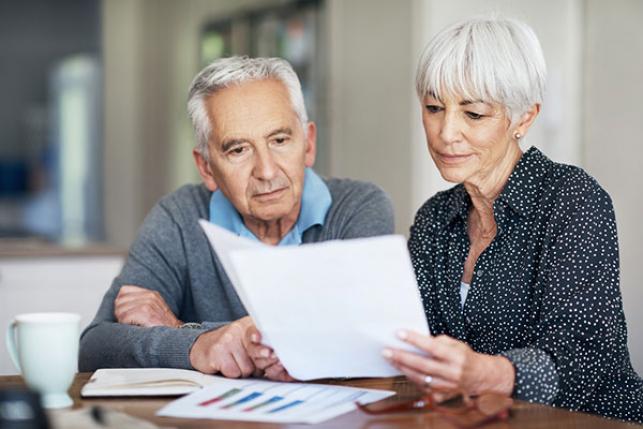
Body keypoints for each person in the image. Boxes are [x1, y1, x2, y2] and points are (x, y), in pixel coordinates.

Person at [382, 16, 643, 422]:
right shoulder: (435, 219)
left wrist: (484, 373)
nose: (446, 132)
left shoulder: (571, 199)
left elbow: (582, 361)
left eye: (473, 114)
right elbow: (412, 344)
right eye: (434, 108)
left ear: (523, 118)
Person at [79, 56, 394, 381]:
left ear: (309, 144)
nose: (267, 171)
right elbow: (95, 347)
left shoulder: (359, 207)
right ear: (206, 167)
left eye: (280, 140)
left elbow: (361, 337)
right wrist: (200, 345)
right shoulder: (178, 217)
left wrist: (183, 329)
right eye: (238, 150)